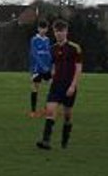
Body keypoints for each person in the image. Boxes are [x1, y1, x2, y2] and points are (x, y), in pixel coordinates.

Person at [35, 20, 83, 151]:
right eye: (56, 31)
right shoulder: (52, 49)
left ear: (66, 32)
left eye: (61, 31)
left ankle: (65, 138)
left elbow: (78, 68)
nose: (59, 34)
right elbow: (53, 67)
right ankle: (46, 141)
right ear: (54, 32)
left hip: (69, 86)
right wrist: (49, 77)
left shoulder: (75, 48)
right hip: (56, 85)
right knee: (50, 111)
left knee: (67, 115)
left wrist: (73, 86)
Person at [28, 19, 53, 117]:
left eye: (45, 28)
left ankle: (47, 108)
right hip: (37, 68)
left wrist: (50, 65)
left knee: (52, 86)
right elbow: (34, 54)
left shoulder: (47, 40)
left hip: (47, 68)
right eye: (41, 28)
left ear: (47, 29)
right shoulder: (34, 39)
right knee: (35, 88)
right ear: (38, 29)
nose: (43, 30)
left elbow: (49, 54)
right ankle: (33, 111)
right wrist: (42, 65)